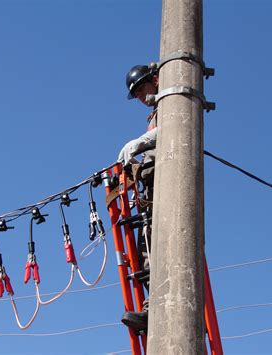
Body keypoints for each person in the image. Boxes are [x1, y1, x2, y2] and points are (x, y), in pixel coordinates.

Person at [118, 64, 159, 333]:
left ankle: (158, 306)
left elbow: (176, 126)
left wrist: (140, 143)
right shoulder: (155, 111)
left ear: (154, 80)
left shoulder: (174, 101)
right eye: (137, 95)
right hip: (151, 187)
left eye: (142, 89)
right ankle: (150, 307)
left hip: (167, 183)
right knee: (146, 248)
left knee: (159, 244)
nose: (142, 97)